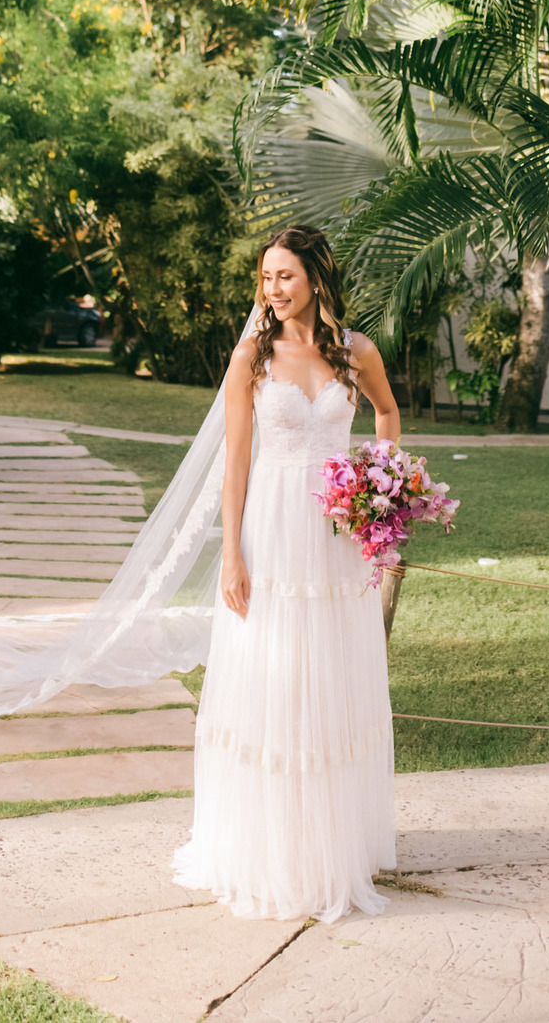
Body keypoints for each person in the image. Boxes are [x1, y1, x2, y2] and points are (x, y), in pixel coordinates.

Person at [171, 224, 401, 923]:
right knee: (269, 682)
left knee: (328, 678)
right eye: (266, 277)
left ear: (316, 278)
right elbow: (237, 462)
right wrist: (232, 555)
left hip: (333, 535)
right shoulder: (251, 356)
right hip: (270, 533)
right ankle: (266, 850)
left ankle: (329, 848)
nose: (272, 289)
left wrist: (378, 487)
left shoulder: (357, 352)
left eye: (285, 276)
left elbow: (388, 412)